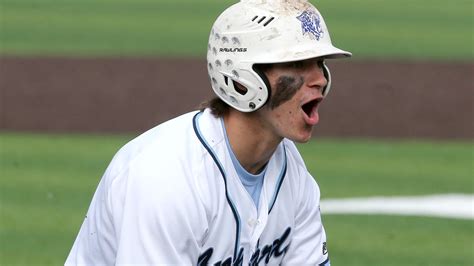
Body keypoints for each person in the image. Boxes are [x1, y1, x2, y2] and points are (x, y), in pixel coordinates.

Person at [65, 0, 351, 265]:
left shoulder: (293, 176)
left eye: (320, 64)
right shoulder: (166, 176)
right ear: (242, 78)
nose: (320, 79)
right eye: (299, 64)